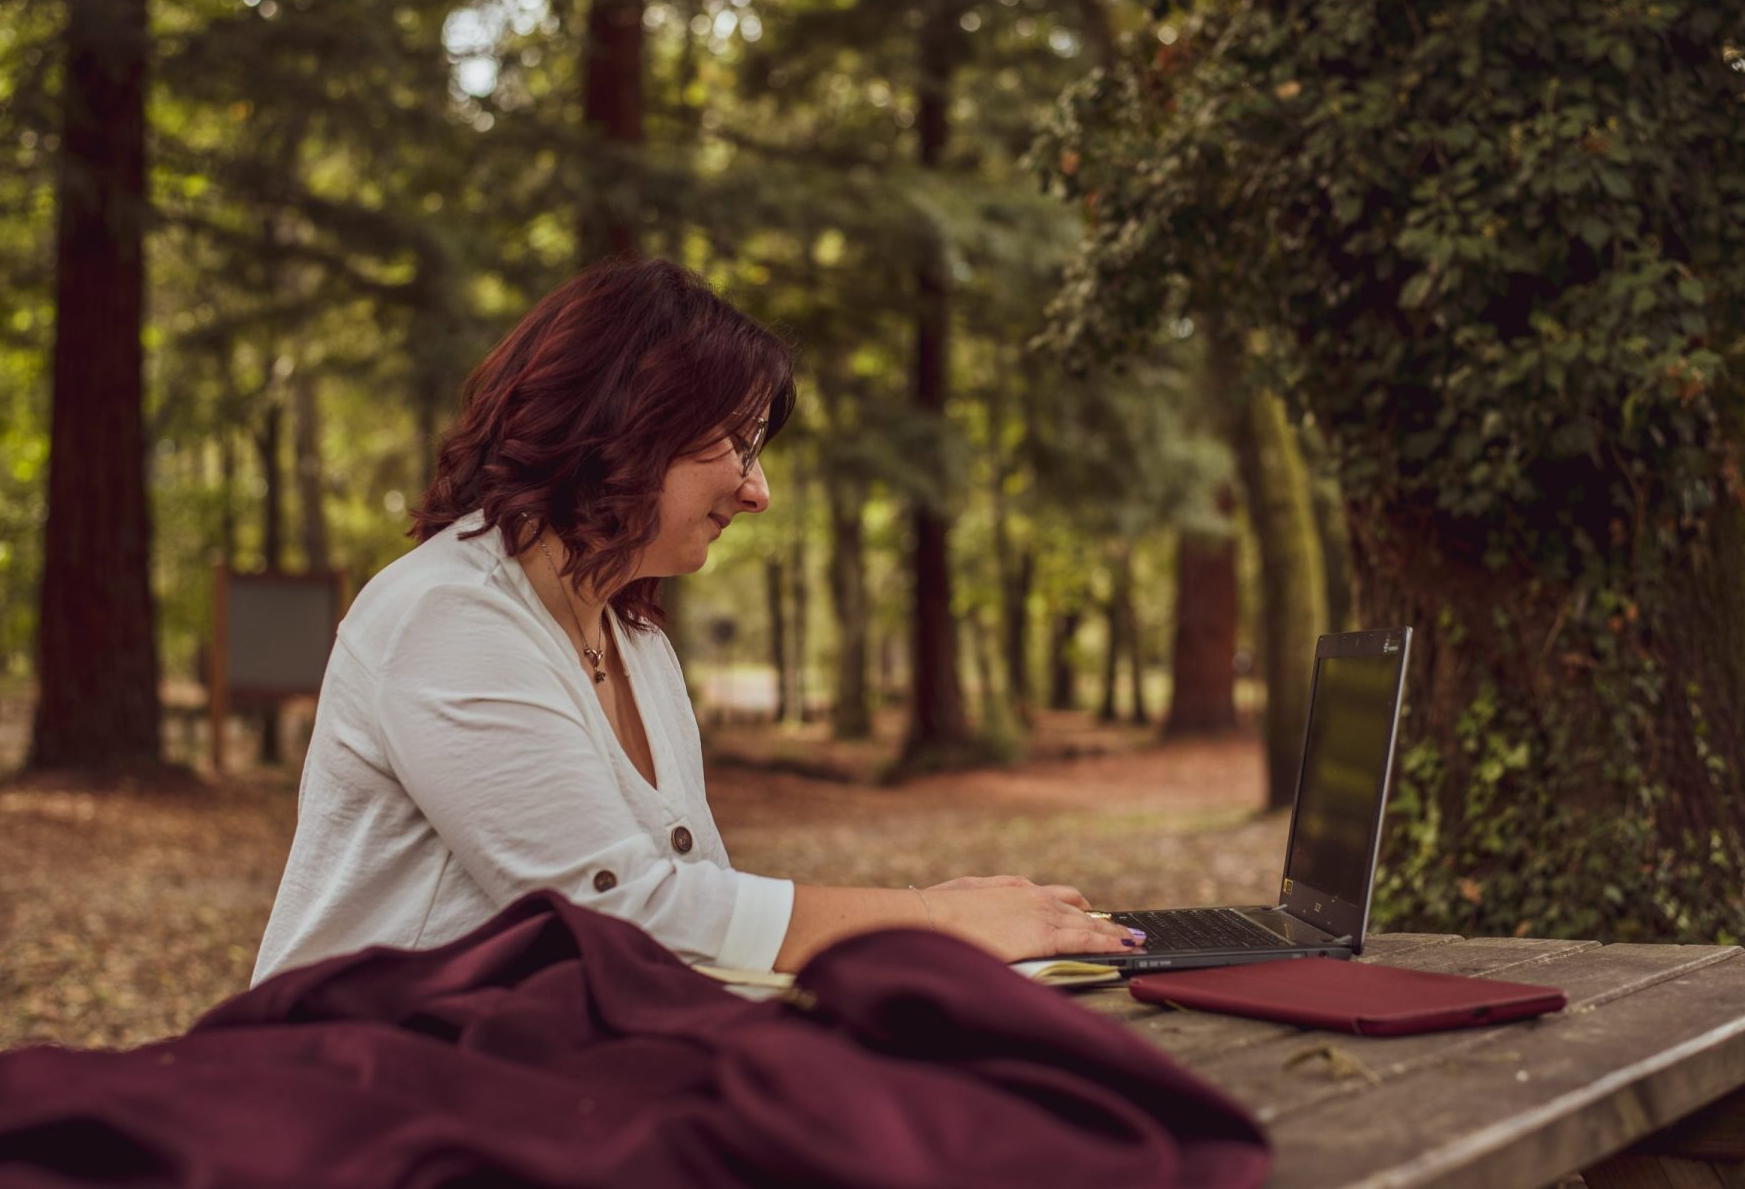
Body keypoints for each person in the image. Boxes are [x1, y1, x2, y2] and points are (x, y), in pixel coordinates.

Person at [252, 258, 1139, 983]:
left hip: (541, 1075)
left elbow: (700, 919)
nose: (759, 491)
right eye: (737, 443)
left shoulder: (635, 644)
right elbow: (624, 916)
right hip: (366, 1093)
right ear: (622, 421)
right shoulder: (446, 615)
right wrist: (939, 920)